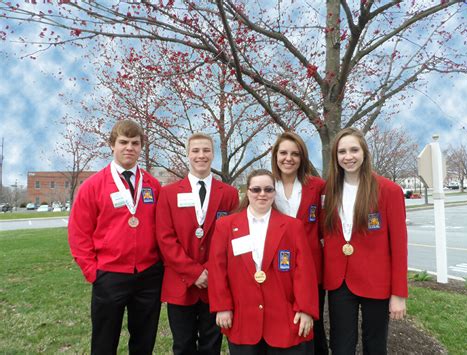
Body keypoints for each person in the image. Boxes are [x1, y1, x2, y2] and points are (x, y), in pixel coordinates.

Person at [68, 120, 164, 354]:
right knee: (104, 341)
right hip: (109, 275)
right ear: (112, 145)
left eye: (135, 143)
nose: (129, 147)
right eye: (123, 142)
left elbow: (163, 230)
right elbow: (79, 233)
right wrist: (93, 272)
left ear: (141, 147)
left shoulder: (152, 185)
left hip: (148, 276)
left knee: (144, 341)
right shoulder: (93, 186)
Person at [208, 169, 318, 354]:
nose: (262, 194)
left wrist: (305, 309)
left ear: (274, 193)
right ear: (247, 192)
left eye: (268, 189)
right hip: (243, 318)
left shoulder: (292, 226)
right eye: (256, 189)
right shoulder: (226, 225)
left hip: (283, 318)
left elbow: (304, 271)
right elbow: (218, 269)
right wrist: (222, 307)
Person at [322, 127, 408, 354]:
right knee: (341, 345)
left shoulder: (389, 190)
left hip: (377, 280)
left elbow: (399, 246)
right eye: (342, 152)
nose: (348, 157)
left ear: (364, 152)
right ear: (335, 157)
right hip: (340, 282)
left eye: (353, 150)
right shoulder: (329, 190)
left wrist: (398, 294)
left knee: (375, 344)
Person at [156, 132, 239, 355]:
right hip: (180, 283)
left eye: (206, 150)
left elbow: (232, 239)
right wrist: (194, 273)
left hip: (216, 283)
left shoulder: (229, 194)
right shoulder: (169, 193)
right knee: (183, 345)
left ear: (213, 154)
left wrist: (211, 272)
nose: (201, 155)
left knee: (211, 346)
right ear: (187, 154)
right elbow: (165, 239)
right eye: (195, 151)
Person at [271, 132, 328, 354]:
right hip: (275, 269)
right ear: (275, 156)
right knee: (280, 322)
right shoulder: (266, 186)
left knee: (313, 324)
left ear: (303, 158)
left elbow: (326, 228)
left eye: (295, 154)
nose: (289, 158)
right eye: (283, 153)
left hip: (311, 270)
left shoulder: (318, 186)